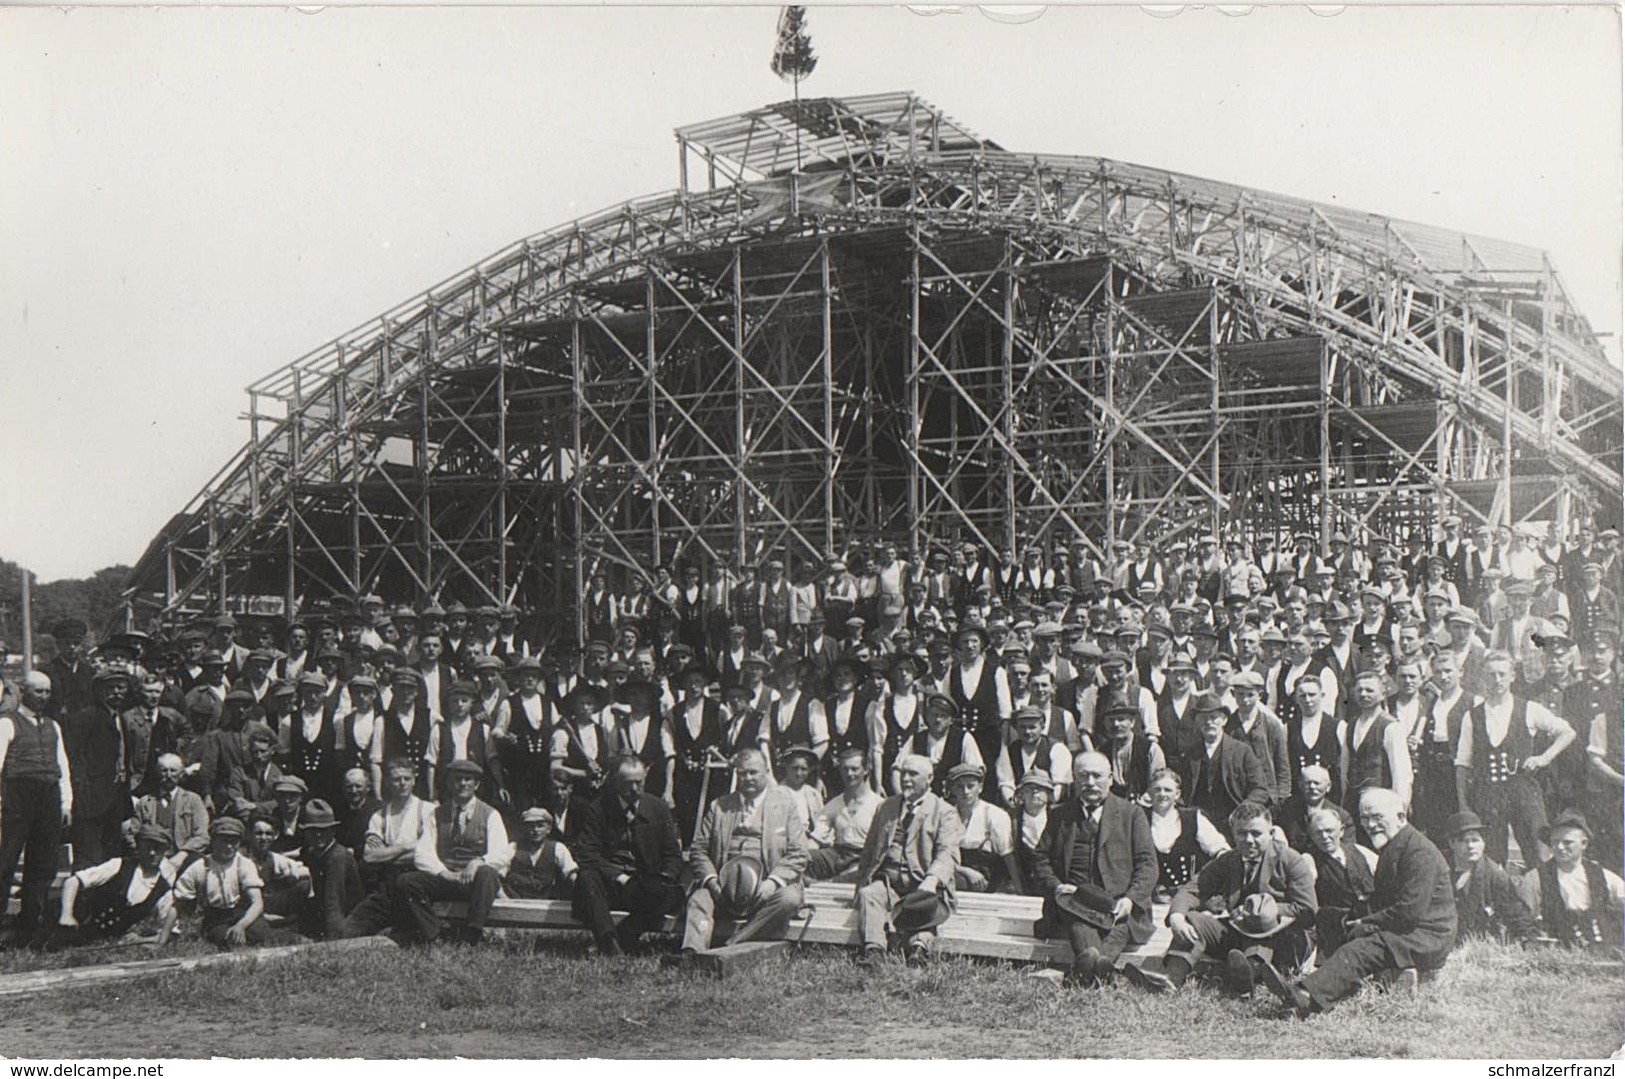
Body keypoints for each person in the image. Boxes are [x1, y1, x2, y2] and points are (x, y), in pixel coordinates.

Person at [1259, 788, 1456, 1017]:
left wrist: (1367, 922)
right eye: (1364, 818)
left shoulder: (1419, 853)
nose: (1370, 825)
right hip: (1411, 929)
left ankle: (1305, 996)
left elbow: (1409, 911)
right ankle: (1319, 988)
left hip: (1428, 935)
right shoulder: (1395, 846)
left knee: (1361, 950)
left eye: (1377, 817)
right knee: (1344, 929)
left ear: (1401, 817)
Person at [1127, 801, 1316, 995]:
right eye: (1242, 833)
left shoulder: (1290, 860)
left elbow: (1308, 909)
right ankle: (1171, 979)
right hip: (1238, 930)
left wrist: (1267, 911)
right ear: (1233, 834)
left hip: (1280, 937)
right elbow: (1193, 889)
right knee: (1195, 920)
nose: (1249, 840)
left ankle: (1246, 977)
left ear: (1270, 832)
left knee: (1261, 928)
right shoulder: (1229, 860)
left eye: (1256, 833)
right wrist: (1177, 916)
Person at [1027, 750, 1158, 985]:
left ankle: (1087, 969)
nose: (1090, 783)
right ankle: (1104, 969)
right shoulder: (1060, 815)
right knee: (1078, 919)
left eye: (1097, 776)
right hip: (1073, 901)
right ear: (1074, 779)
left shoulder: (1132, 814)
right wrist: (1056, 887)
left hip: (1118, 903)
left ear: (1110, 778)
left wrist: (1130, 900)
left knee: (1119, 925)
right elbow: (1040, 859)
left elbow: (1147, 865)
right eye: (1083, 776)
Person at [679, 747, 808, 957]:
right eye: (742, 773)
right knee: (699, 898)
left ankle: (735, 943)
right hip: (725, 888)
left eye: (753, 773)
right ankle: (692, 952)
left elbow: (799, 853)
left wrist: (772, 883)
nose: (747, 778)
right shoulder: (719, 806)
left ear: (767, 771)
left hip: (767, 889)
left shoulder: (785, 805)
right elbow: (699, 850)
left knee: (790, 899)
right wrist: (712, 882)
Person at [1455, 651, 1576, 867]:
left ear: (1512, 676)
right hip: (1488, 795)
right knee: (1491, 858)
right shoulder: (1472, 715)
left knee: (1539, 852)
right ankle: (1496, 901)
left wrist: (1544, 758)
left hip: (1524, 793)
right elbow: (1463, 763)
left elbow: (1567, 732)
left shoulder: (1529, 708)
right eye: (1491, 674)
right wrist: (1464, 803)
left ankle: (1542, 898)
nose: (1497, 680)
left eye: (1502, 674)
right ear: (1483, 677)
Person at [852, 753, 963, 967]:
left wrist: (931, 880)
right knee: (870, 894)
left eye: (913, 774)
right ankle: (874, 951)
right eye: (903, 773)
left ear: (929, 778)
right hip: (889, 882)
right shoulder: (886, 807)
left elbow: (947, 854)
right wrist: (859, 884)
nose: (905, 779)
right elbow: (869, 850)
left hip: (924, 883)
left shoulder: (944, 811)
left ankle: (918, 949)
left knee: (924, 904)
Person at [571, 755, 685, 956]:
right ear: (616, 782)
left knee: (672, 894)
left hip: (645, 887)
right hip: (611, 886)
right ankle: (609, 941)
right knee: (586, 878)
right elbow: (586, 853)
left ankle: (620, 940)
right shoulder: (599, 808)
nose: (634, 789)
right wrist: (619, 877)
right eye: (628, 783)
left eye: (639, 783)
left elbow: (673, 855)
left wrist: (664, 878)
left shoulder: (659, 808)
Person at [393, 759, 512, 944]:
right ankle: (434, 935)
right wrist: (444, 873)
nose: (462, 784)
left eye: (467, 779)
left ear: (476, 784)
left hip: (475, 882)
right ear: (449, 783)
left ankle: (473, 933)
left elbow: (503, 853)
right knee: (407, 881)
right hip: (447, 879)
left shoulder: (490, 814)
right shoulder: (436, 814)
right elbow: (423, 854)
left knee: (488, 874)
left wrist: (478, 862)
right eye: (457, 779)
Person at [0, 671, 74, 944]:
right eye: (37, 691)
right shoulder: (7, 723)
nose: (43, 697)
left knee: (43, 863)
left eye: (47, 692)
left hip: (49, 796)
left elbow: (62, 766)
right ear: (22, 691)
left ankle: (31, 925)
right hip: (17, 796)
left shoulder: (53, 726)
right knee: (5, 861)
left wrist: (66, 803)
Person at [172, 816, 291, 948]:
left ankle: (297, 940)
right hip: (216, 920)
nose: (229, 846)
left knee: (264, 935)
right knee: (229, 940)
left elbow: (257, 903)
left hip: (243, 914)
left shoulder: (244, 864)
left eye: (233, 842)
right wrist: (162, 938)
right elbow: (177, 904)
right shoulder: (200, 867)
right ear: (213, 841)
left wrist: (241, 925)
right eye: (223, 841)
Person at [57, 822, 177, 946]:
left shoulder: (163, 890)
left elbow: (170, 933)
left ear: (165, 851)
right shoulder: (119, 865)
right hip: (76, 925)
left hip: (106, 942)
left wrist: (141, 940)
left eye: (157, 848)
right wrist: (67, 914)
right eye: (147, 847)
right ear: (138, 846)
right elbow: (73, 881)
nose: (152, 853)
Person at [1518, 809, 1623, 948]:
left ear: (1584, 844)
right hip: (1558, 946)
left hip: (1600, 945)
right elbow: (1524, 917)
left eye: (1567, 842)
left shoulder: (1602, 875)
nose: (1560, 847)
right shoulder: (1535, 878)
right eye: (1555, 842)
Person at [1446, 810, 1538, 943]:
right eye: (1463, 841)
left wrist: (1529, 941)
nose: (1470, 846)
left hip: (1479, 944)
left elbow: (1516, 914)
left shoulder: (1494, 874)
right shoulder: (1441, 869)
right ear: (1452, 843)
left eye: (1475, 840)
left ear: (1483, 843)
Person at [1184, 692, 1269, 835]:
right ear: (1197, 722)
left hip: (1232, 821)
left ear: (1224, 720)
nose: (1208, 722)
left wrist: (1241, 812)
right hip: (1199, 823)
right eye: (1203, 718)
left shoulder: (1241, 751)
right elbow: (1180, 789)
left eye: (1213, 718)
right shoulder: (1190, 753)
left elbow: (1260, 789)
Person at [1142, 768, 1230, 901]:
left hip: (1191, 896)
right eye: (1157, 789)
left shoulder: (1193, 818)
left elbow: (1221, 851)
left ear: (1177, 794)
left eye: (1168, 790)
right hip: (1151, 899)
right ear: (1149, 792)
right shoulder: (1139, 819)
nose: (1162, 794)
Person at [1302, 805, 1376, 954]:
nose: (1324, 837)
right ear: (1311, 835)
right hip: (1338, 923)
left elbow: (1383, 875)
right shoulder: (1309, 858)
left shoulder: (1359, 850)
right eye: (1318, 833)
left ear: (1341, 831)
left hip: (1370, 915)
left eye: (1329, 831)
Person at [125, 753, 211, 871]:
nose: (169, 775)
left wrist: (183, 854)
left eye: (173, 771)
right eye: (164, 771)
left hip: (184, 861)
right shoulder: (145, 802)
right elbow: (131, 835)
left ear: (181, 774)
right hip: (151, 861)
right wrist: (144, 855)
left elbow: (202, 836)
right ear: (157, 773)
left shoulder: (193, 800)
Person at [295, 798, 366, 940]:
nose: (318, 835)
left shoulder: (337, 857)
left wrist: (334, 940)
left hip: (348, 919)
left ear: (333, 830)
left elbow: (333, 902)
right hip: (324, 915)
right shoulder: (314, 852)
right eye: (313, 830)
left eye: (323, 830)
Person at [809, 747, 883, 882]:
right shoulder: (835, 804)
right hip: (837, 855)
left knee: (866, 869)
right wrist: (803, 855)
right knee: (803, 858)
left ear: (866, 769)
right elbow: (816, 837)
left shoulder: (879, 805)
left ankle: (829, 883)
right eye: (845, 769)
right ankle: (826, 883)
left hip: (862, 857)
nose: (849, 774)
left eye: (854, 769)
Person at [945, 762, 1021, 893]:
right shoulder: (946, 814)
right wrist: (965, 871)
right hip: (956, 873)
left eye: (970, 786)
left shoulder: (994, 815)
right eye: (960, 787)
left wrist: (1021, 891)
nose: (965, 792)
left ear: (980, 788)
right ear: (952, 789)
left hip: (986, 880)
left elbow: (1008, 856)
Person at [504, 806, 578, 900]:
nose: (535, 830)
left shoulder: (558, 848)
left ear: (548, 829)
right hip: (515, 903)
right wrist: (505, 900)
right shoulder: (513, 848)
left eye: (540, 825)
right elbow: (496, 874)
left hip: (546, 906)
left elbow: (572, 874)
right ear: (524, 828)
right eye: (531, 826)